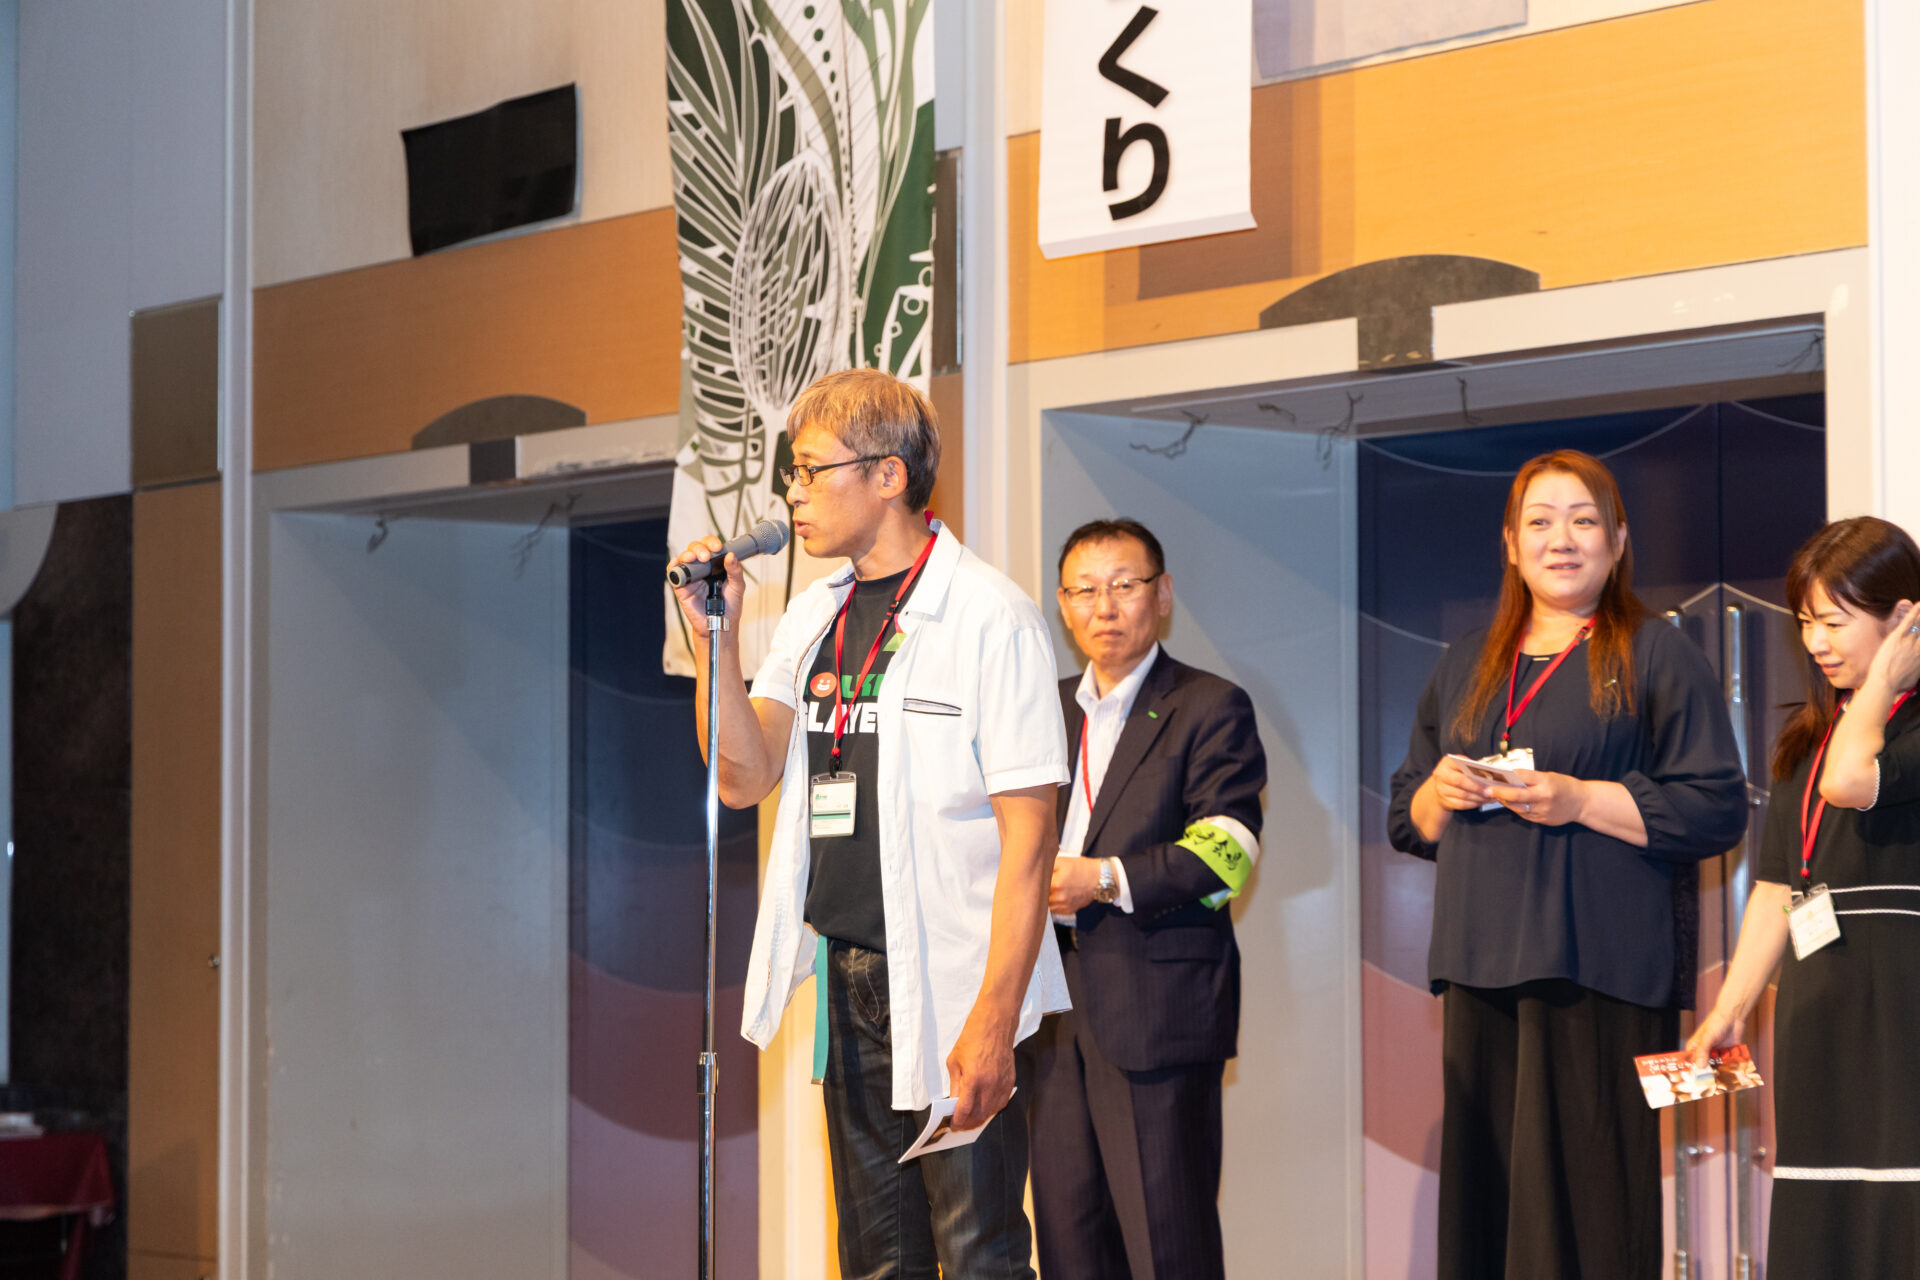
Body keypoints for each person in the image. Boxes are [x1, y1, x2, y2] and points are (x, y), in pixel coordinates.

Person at [670, 368, 1069, 1279]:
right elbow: (742, 775)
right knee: (878, 1260)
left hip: (960, 979)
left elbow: (1030, 843)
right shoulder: (813, 615)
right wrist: (713, 638)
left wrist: (995, 1020)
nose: (793, 493)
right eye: (792, 474)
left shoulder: (990, 618)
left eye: (812, 471)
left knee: (979, 1255)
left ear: (889, 476)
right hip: (849, 978)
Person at [1386, 449, 1747, 1280]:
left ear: (1617, 542)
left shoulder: (1656, 653)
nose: (1562, 540)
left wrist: (1581, 799)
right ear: (1510, 544)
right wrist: (1441, 791)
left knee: (1590, 1211)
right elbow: (1409, 818)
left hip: (1600, 972)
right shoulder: (1467, 660)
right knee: (1485, 1211)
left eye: (1584, 521)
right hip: (1479, 967)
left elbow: (1716, 808)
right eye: (1541, 522)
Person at [1028, 518, 1266, 1280]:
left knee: (1168, 1251)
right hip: (1050, 1015)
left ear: (1162, 595)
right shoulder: (1043, 711)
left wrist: (1103, 878)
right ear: (1063, 606)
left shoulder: (1209, 705)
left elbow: (1228, 851)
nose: (1104, 607)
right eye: (1084, 591)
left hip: (1158, 1012)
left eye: (1124, 586)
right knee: (1069, 1248)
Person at [1686, 516, 1920, 1278]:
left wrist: (1883, 682)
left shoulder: (1888, 732)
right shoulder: (1808, 742)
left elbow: (1853, 782)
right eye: (1805, 622)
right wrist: (1731, 1010)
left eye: (1834, 622)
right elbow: (1778, 888)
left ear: (1903, 616)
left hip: (1903, 1002)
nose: (1816, 641)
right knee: (1826, 1210)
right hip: (1821, 1006)